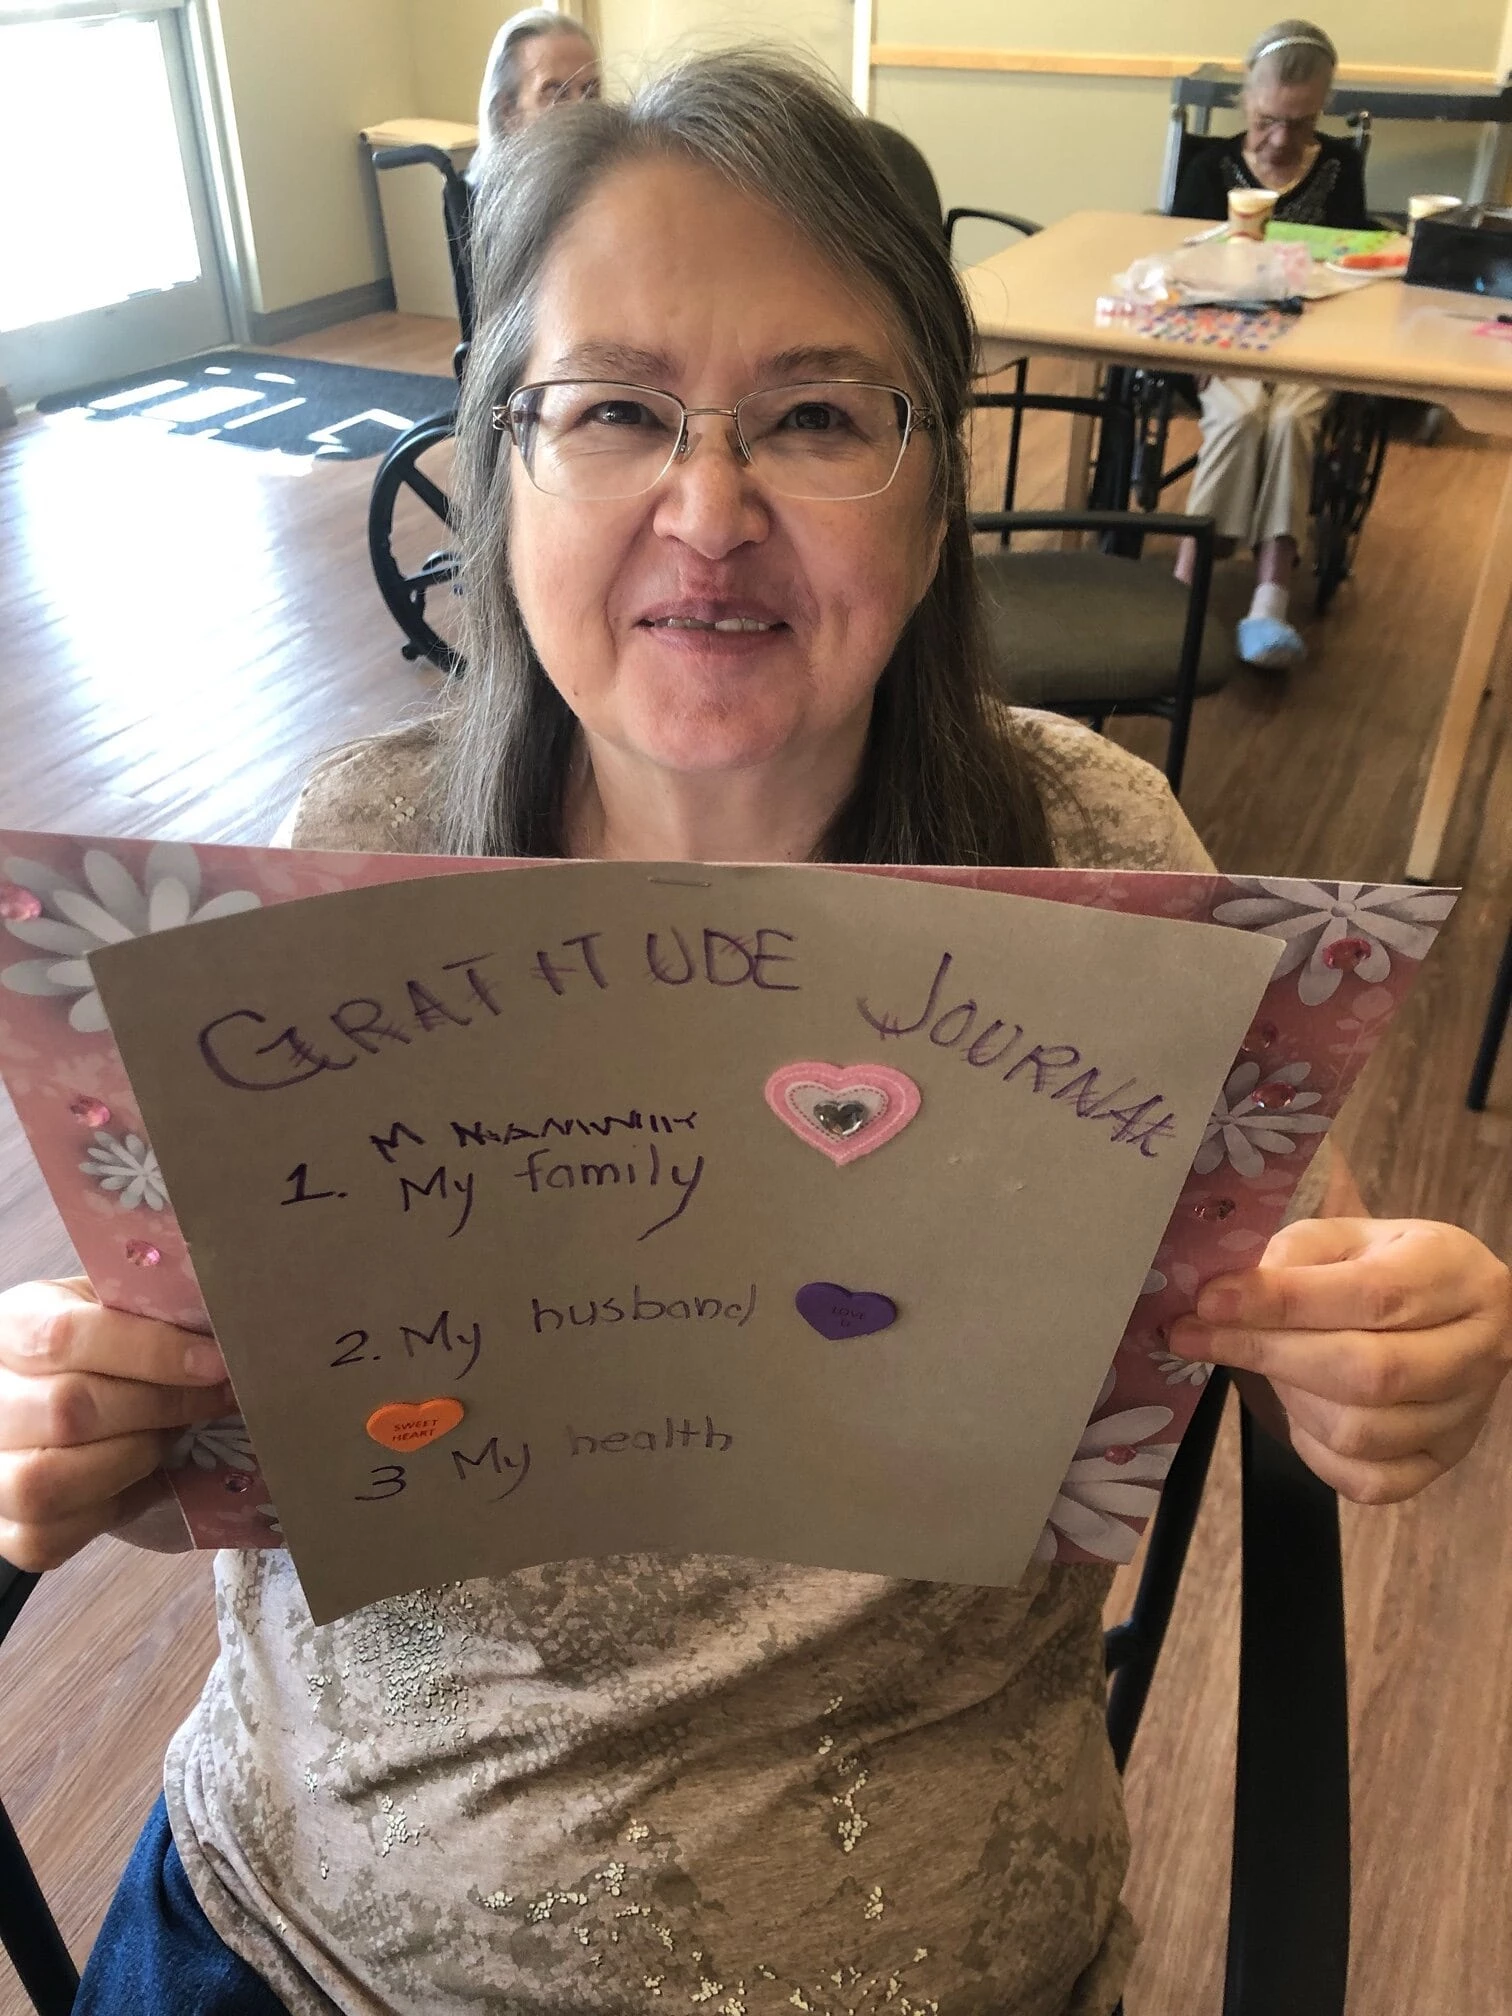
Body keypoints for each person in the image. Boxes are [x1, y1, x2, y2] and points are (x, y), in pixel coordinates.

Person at [2, 51, 1508, 2016]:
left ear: (936, 475)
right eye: (613, 409)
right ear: (493, 458)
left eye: (814, 416)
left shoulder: (1096, 855)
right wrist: (77, 1408)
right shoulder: (343, 859)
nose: (708, 511)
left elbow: (1313, 1282)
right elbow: (198, 1388)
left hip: (924, 1941)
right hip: (307, 1933)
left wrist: (1383, 1350)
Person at [1172, 20, 1371, 671]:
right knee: (1239, 413)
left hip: (1315, 338)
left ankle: (1269, 597)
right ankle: (1187, 579)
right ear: (1245, 101)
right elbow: (1176, 267)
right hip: (1222, 337)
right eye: (1267, 120)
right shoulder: (1209, 170)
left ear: (1324, 108)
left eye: (1302, 121)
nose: (1282, 138)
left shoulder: (1341, 171)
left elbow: (1350, 266)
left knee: (1288, 418)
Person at [468, 6, 600, 188]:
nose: (583, 109)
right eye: (557, 95)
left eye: (590, 92)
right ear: (508, 112)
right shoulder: (481, 210)